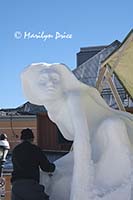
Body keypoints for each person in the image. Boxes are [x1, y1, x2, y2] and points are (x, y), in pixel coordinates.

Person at [11, 128, 55, 200]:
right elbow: (46, 167)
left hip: (16, 186)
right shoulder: (35, 149)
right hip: (30, 185)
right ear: (32, 139)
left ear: (21, 139)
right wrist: (53, 167)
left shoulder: (15, 150)